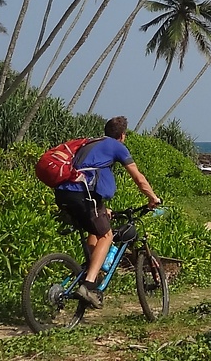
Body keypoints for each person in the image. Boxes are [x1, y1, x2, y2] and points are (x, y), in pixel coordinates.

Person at [53, 115, 161, 308]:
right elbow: (137, 176)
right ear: (122, 136)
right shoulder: (116, 146)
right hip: (84, 195)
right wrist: (152, 198)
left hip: (64, 194)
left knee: (95, 230)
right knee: (106, 235)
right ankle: (88, 285)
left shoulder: (91, 143)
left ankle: (89, 274)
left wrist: (102, 207)